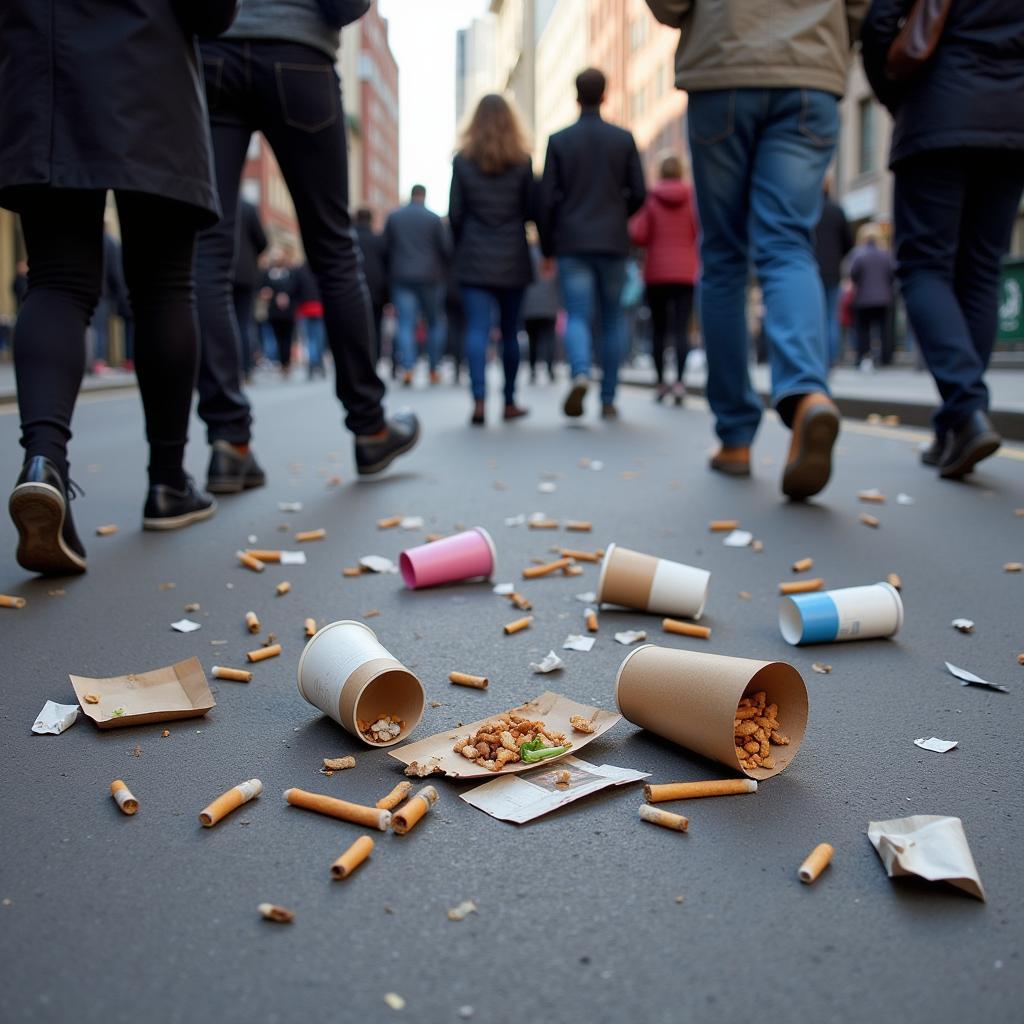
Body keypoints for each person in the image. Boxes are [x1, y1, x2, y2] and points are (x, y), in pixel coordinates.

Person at [0, 0, 234, 575]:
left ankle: (44, 464)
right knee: (163, 288)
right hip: (148, 64)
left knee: (55, 279)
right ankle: (167, 483)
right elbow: (215, 10)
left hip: (43, 60)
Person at [195, 0, 419, 495]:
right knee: (334, 250)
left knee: (207, 251)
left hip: (212, 50)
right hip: (299, 52)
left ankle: (228, 443)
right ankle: (370, 427)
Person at [646, 0, 867, 499]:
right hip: (811, 70)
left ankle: (736, 437)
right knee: (787, 245)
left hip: (725, 66)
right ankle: (807, 394)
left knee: (724, 259)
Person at [862, 0, 1024, 479]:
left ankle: (967, 407)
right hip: (1013, 124)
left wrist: (898, 94)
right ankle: (954, 424)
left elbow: (878, 23)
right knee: (980, 272)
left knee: (924, 267)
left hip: (939, 110)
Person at [538, 68, 646, 420]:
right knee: (613, 318)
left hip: (572, 242)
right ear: (604, 95)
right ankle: (609, 396)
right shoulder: (623, 139)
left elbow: (546, 200)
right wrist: (617, 214)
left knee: (578, 315)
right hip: (613, 242)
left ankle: (581, 372)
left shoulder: (559, 140)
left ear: (575, 95)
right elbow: (640, 193)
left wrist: (548, 246)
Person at [449, 94, 534, 425]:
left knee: (478, 331)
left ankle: (479, 400)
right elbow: (531, 210)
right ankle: (510, 401)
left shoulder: (462, 161)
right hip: (513, 254)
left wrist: (462, 247)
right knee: (511, 332)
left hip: (474, 256)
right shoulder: (523, 161)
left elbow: (456, 214)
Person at [628, 152, 700, 405]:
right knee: (681, 329)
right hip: (686, 272)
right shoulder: (692, 197)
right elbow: (699, 230)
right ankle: (680, 383)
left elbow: (638, 233)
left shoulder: (651, 198)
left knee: (659, 330)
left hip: (656, 272)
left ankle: (661, 383)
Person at [384, 186, 451, 386]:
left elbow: (386, 247)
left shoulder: (394, 217)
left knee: (405, 323)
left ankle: (407, 368)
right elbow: (446, 249)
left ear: (411, 195)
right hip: (430, 277)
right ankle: (433, 369)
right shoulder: (433, 219)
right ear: (424, 196)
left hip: (402, 276)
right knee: (435, 322)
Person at [814, 179, 854, 367]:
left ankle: (817, 358)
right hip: (832, 272)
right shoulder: (837, 211)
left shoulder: (806, 211)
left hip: (810, 272)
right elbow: (849, 243)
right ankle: (830, 360)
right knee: (831, 318)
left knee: (815, 317)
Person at [848, 224, 895, 371]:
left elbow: (853, 274)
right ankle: (886, 358)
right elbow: (892, 275)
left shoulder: (858, 254)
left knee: (863, 330)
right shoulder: (886, 255)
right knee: (884, 330)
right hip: (884, 298)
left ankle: (863, 356)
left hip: (863, 298)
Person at [233, 199, 269, 380]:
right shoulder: (247, 207)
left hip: (218, 271)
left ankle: (227, 366)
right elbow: (262, 241)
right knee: (244, 321)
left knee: (221, 316)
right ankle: (245, 368)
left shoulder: (216, 197)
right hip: (245, 273)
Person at [521, 235, 559, 384]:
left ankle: (532, 369)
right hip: (550, 304)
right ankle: (550, 369)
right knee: (549, 337)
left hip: (530, 305)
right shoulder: (550, 255)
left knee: (533, 339)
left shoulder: (526, 253)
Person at [353, 208, 388, 365]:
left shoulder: (349, 240)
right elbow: (387, 266)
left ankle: (358, 359)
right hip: (376, 290)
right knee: (375, 325)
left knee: (354, 324)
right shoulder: (378, 240)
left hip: (352, 288)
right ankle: (374, 359)